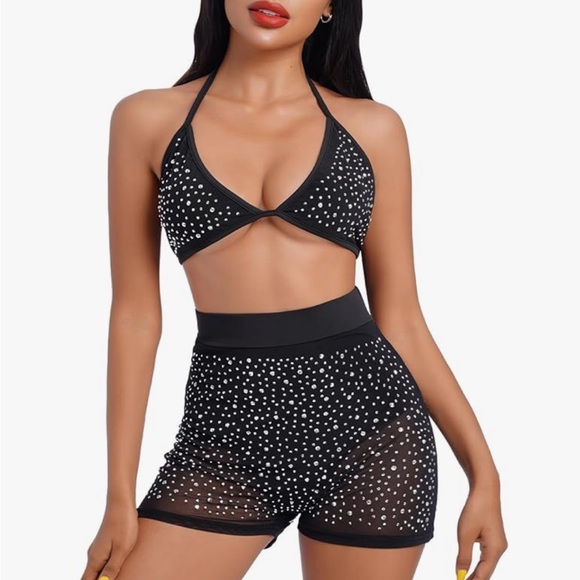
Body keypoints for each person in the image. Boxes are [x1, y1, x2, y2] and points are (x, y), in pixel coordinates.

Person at [82, 1, 508, 579]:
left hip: (372, 433)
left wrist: (483, 474)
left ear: (330, 6)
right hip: (226, 434)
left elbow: (402, 320)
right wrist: (118, 495)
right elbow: (135, 315)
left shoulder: (372, 127)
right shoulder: (146, 119)